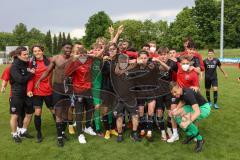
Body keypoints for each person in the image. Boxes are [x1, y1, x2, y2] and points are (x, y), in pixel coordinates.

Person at [35, 43, 73, 147]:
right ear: (62, 48)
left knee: (66, 113)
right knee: (58, 113)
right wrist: (39, 80)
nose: (68, 49)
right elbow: (47, 71)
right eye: (66, 47)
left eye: (70, 48)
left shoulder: (74, 59)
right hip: (57, 89)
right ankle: (59, 138)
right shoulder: (56, 58)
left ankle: (62, 133)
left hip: (68, 89)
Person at [65, 47, 97, 144]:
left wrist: (89, 54)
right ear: (77, 54)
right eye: (80, 54)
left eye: (84, 54)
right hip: (78, 91)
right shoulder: (74, 63)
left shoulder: (90, 61)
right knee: (79, 113)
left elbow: (98, 55)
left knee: (90, 110)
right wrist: (73, 59)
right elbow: (66, 73)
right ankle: (80, 134)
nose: (82, 56)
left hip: (89, 90)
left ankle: (87, 127)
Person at [170, 81, 211, 153]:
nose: (174, 94)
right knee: (175, 115)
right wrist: (175, 110)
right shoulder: (182, 92)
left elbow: (197, 112)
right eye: (173, 93)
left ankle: (200, 140)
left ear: (179, 88)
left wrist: (188, 121)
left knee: (184, 120)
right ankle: (190, 134)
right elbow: (183, 101)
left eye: (175, 92)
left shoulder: (188, 94)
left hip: (203, 108)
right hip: (191, 107)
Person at [27, 45, 55, 143]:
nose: (37, 53)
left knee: (53, 110)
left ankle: (60, 132)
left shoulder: (50, 61)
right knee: (38, 113)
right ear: (33, 53)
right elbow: (30, 79)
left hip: (49, 91)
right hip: (37, 91)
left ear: (42, 51)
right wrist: (29, 90)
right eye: (35, 51)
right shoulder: (31, 63)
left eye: (39, 51)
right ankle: (39, 134)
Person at [9, 46, 35, 143]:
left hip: (27, 94)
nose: (27, 56)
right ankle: (14, 134)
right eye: (25, 54)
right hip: (17, 94)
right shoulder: (14, 66)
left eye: (27, 54)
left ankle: (23, 131)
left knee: (29, 113)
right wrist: (31, 74)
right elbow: (20, 79)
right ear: (18, 55)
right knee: (15, 115)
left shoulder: (25, 64)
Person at [152, 47, 178, 141]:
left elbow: (169, 70)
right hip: (158, 91)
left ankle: (169, 129)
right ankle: (163, 131)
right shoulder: (154, 63)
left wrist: (159, 61)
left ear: (167, 54)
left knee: (171, 112)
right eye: (161, 54)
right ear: (159, 54)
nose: (163, 56)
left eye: (165, 54)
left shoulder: (172, 63)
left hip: (169, 92)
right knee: (159, 112)